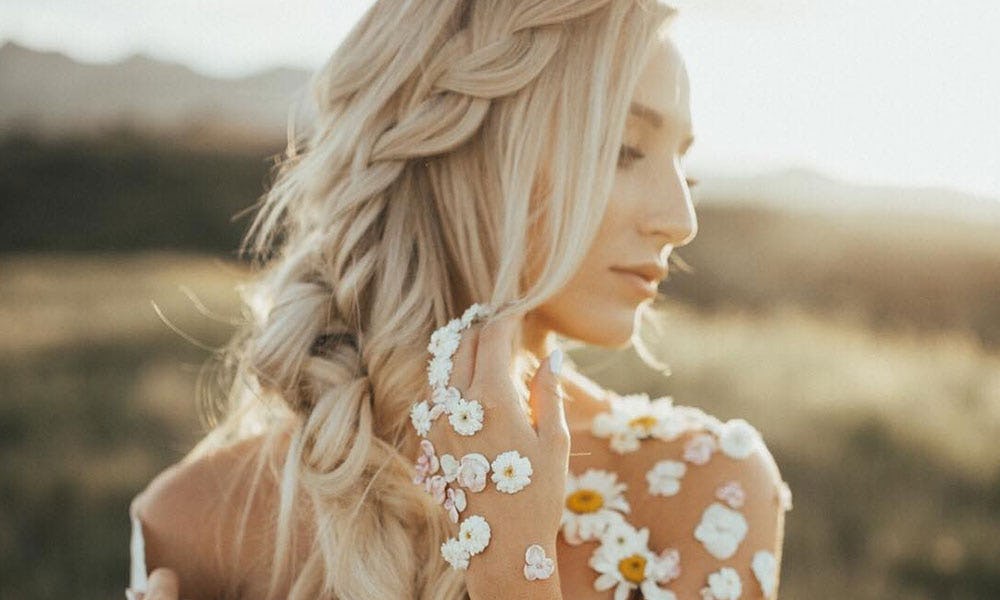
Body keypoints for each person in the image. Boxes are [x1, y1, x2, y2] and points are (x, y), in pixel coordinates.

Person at [127, 1, 790, 598]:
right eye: (624, 150)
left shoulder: (707, 492)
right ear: (461, 148)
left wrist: (516, 570)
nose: (681, 219)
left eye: (686, 168)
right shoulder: (193, 522)